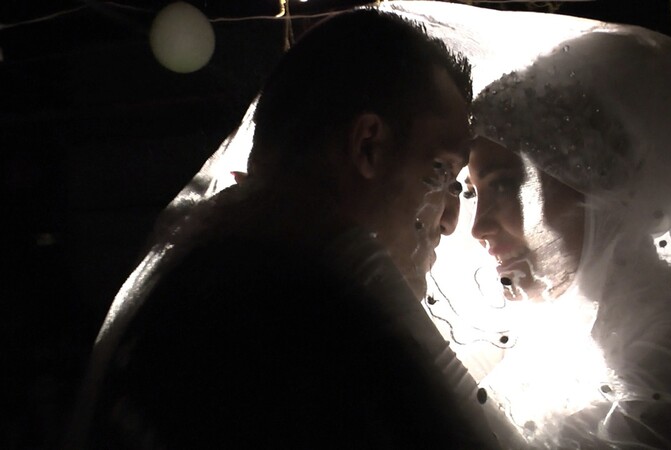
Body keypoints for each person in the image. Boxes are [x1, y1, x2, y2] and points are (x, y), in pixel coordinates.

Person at [66, 8, 506, 449]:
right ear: (368, 145)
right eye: (438, 173)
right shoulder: (308, 316)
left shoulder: (196, 261)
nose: (450, 222)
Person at [443, 28, 671, 448]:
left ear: (599, 185)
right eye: (473, 192)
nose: (478, 227)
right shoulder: (542, 349)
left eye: (504, 186)